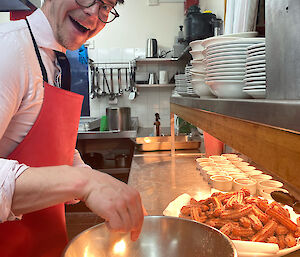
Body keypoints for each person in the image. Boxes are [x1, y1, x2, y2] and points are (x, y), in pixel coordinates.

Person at [0, 0, 144, 256]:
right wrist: (84, 182)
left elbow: (52, 148)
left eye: (106, 7)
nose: (93, 13)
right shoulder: (9, 50)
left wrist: (96, 181)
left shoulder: (56, 60)